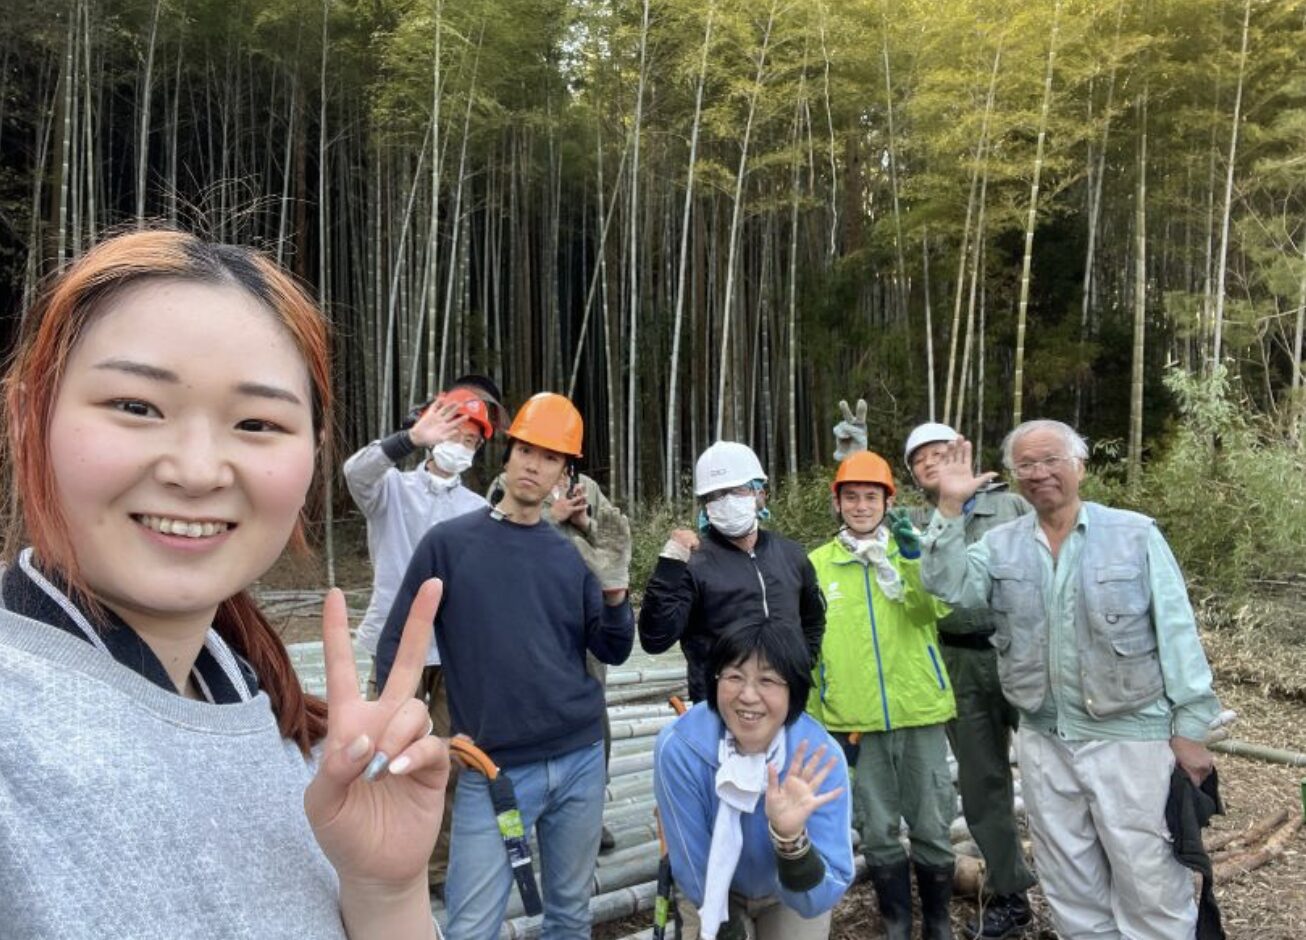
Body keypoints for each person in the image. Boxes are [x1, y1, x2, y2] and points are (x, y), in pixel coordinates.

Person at [0, 229, 450, 939]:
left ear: (311, 454)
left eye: (256, 422)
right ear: (29, 417)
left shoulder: (289, 738)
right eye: (136, 407)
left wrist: (385, 892)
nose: (199, 470)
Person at [920, 421, 1221, 940]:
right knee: (1069, 883)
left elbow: (1177, 631)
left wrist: (1192, 727)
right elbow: (948, 587)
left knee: (1148, 878)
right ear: (1014, 477)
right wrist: (948, 509)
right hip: (1043, 739)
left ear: (1079, 465)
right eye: (1026, 466)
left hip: (1130, 738)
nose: (1039, 475)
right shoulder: (1001, 544)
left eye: (1050, 460)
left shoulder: (1134, 534)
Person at [375, 391, 635, 940]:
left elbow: (611, 649)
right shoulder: (450, 544)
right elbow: (400, 640)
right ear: (509, 452)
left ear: (566, 474)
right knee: (472, 926)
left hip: (580, 758)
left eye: (550, 458)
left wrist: (615, 591)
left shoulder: (572, 553)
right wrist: (388, 719)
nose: (534, 466)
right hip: (491, 770)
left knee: (569, 915)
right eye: (526, 451)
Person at [343, 386, 492, 893]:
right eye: (454, 432)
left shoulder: (478, 508)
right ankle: (375, 851)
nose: (461, 445)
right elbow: (354, 473)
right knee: (380, 751)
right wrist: (408, 438)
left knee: (450, 758)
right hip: (395, 645)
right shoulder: (392, 491)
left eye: (472, 440)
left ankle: (436, 865)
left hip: (455, 653)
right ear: (431, 434)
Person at [807, 450, 957, 940]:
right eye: (851, 497)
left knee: (932, 822)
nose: (861, 506)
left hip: (919, 710)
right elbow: (808, 646)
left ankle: (937, 924)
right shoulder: (816, 565)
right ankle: (896, 923)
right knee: (875, 828)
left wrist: (915, 563)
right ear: (837, 503)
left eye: (872, 496)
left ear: (888, 502)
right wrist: (816, 717)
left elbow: (932, 610)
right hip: (855, 718)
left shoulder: (908, 552)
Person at [903, 422, 1036, 940]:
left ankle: (1095, 881)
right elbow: (856, 513)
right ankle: (1010, 892)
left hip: (1023, 653)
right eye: (920, 460)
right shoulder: (914, 521)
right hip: (958, 662)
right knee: (983, 784)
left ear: (964, 454)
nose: (932, 462)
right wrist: (855, 454)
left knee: (1063, 770)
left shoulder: (1012, 507)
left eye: (942, 452)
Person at [653, 620, 854, 940]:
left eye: (768, 680)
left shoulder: (819, 757)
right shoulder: (681, 748)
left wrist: (791, 841)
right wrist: (727, 931)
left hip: (788, 892)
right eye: (734, 676)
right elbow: (693, 865)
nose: (748, 696)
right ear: (715, 680)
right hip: (713, 888)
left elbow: (820, 897)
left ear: (795, 690)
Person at [487, 462, 633, 852]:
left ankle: (589, 814)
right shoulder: (508, 483)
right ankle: (519, 815)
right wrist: (553, 517)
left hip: (584, 613)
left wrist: (585, 523)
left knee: (591, 714)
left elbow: (611, 547)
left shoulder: (587, 486)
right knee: (523, 713)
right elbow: (496, 541)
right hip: (529, 614)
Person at [639, 441, 826, 702]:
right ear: (705, 505)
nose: (725, 501)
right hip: (717, 713)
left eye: (736, 490)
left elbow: (813, 620)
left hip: (784, 707)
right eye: (714, 495)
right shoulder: (693, 565)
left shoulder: (791, 555)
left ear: (761, 494)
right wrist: (670, 563)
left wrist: (801, 665)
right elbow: (655, 639)